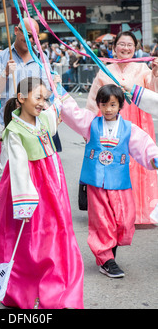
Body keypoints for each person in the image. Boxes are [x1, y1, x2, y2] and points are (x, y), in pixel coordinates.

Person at [0, 76, 84, 309]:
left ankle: (55, 279)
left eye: (44, 99)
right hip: (31, 187)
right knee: (31, 236)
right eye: (38, 98)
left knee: (56, 230)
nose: (42, 103)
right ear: (21, 98)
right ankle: (25, 285)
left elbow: (58, 109)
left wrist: (56, 87)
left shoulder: (44, 118)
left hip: (53, 183)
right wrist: (24, 203)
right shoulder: (14, 130)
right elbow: (18, 168)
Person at [60, 84, 158, 278]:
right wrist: (58, 91)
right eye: (104, 104)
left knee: (124, 220)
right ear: (98, 105)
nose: (108, 109)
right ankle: (106, 260)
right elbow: (73, 113)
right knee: (102, 222)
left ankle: (109, 253)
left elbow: (144, 146)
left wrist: (153, 158)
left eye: (113, 105)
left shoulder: (130, 129)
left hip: (120, 182)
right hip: (96, 183)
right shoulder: (91, 123)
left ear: (120, 105)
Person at [86, 31, 158, 224]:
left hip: (138, 121)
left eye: (130, 45)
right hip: (110, 122)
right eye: (122, 44)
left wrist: (155, 74)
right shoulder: (104, 70)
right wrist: (90, 128)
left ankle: (138, 209)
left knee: (137, 162)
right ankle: (114, 210)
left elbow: (153, 92)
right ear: (114, 47)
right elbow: (94, 100)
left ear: (136, 49)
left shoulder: (143, 68)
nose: (126, 48)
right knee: (114, 162)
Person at [0, 18, 57, 196]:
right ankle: (2, 201)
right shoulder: (1, 58)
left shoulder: (41, 59)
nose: (31, 41)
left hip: (36, 125)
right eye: (27, 36)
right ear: (16, 30)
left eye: (35, 37)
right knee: (7, 169)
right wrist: (4, 74)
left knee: (37, 170)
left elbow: (48, 93)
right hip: (11, 123)